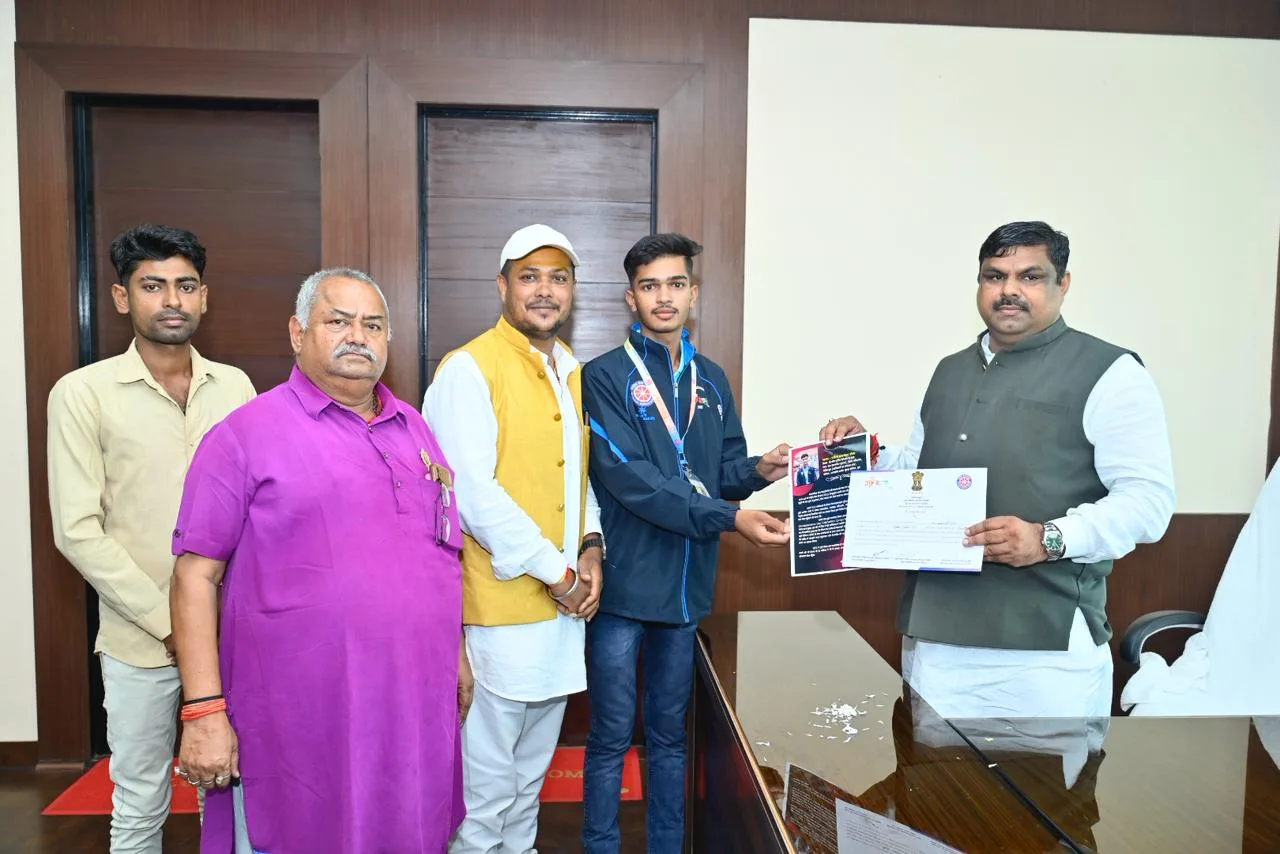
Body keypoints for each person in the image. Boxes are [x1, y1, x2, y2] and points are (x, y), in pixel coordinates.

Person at [168, 268, 469, 853]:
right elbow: (194, 575)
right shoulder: (244, 435)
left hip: (409, 704)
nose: (358, 336)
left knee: (407, 824)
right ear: (297, 332)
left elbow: (440, 552)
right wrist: (203, 709)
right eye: (338, 321)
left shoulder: (414, 429)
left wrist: (454, 651)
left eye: (373, 325)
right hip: (298, 712)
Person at [822, 220, 1175, 719]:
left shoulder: (1111, 372)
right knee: (929, 771)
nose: (1009, 290)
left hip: (1046, 652)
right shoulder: (949, 370)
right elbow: (922, 473)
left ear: (1063, 284)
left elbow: (1148, 503)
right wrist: (865, 453)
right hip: (935, 645)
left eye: (1030, 276)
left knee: (1047, 775)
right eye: (994, 276)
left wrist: (1046, 538)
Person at [46, 224, 255, 854]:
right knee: (140, 802)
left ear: (204, 297)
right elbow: (77, 530)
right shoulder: (82, 394)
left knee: (235, 794)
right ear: (121, 297)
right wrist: (170, 623)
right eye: (152, 285)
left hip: (233, 637)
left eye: (185, 286)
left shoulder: (237, 387)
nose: (171, 300)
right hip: (140, 642)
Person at [580, 232, 791, 853]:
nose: (664, 297)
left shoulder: (712, 379)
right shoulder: (604, 376)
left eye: (675, 284)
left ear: (693, 293)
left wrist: (760, 470)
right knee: (611, 737)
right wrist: (729, 518)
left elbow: (720, 472)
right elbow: (632, 480)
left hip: (685, 590)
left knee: (671, 738)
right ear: (631, 297)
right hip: (622, 590)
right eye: (650, 286)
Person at [423, 224, 603, 854]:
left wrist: (591, 545)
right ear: (502, 286)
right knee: (486, 791)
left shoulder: (569, 369)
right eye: (529, 277)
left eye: (558, 278)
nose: (544, 290)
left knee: (529, 784)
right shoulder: (468, 368)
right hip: (500, 611)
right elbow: (471, 496)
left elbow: (577, 478)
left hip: (560, 613)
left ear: (573, 290)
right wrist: (560, 574)